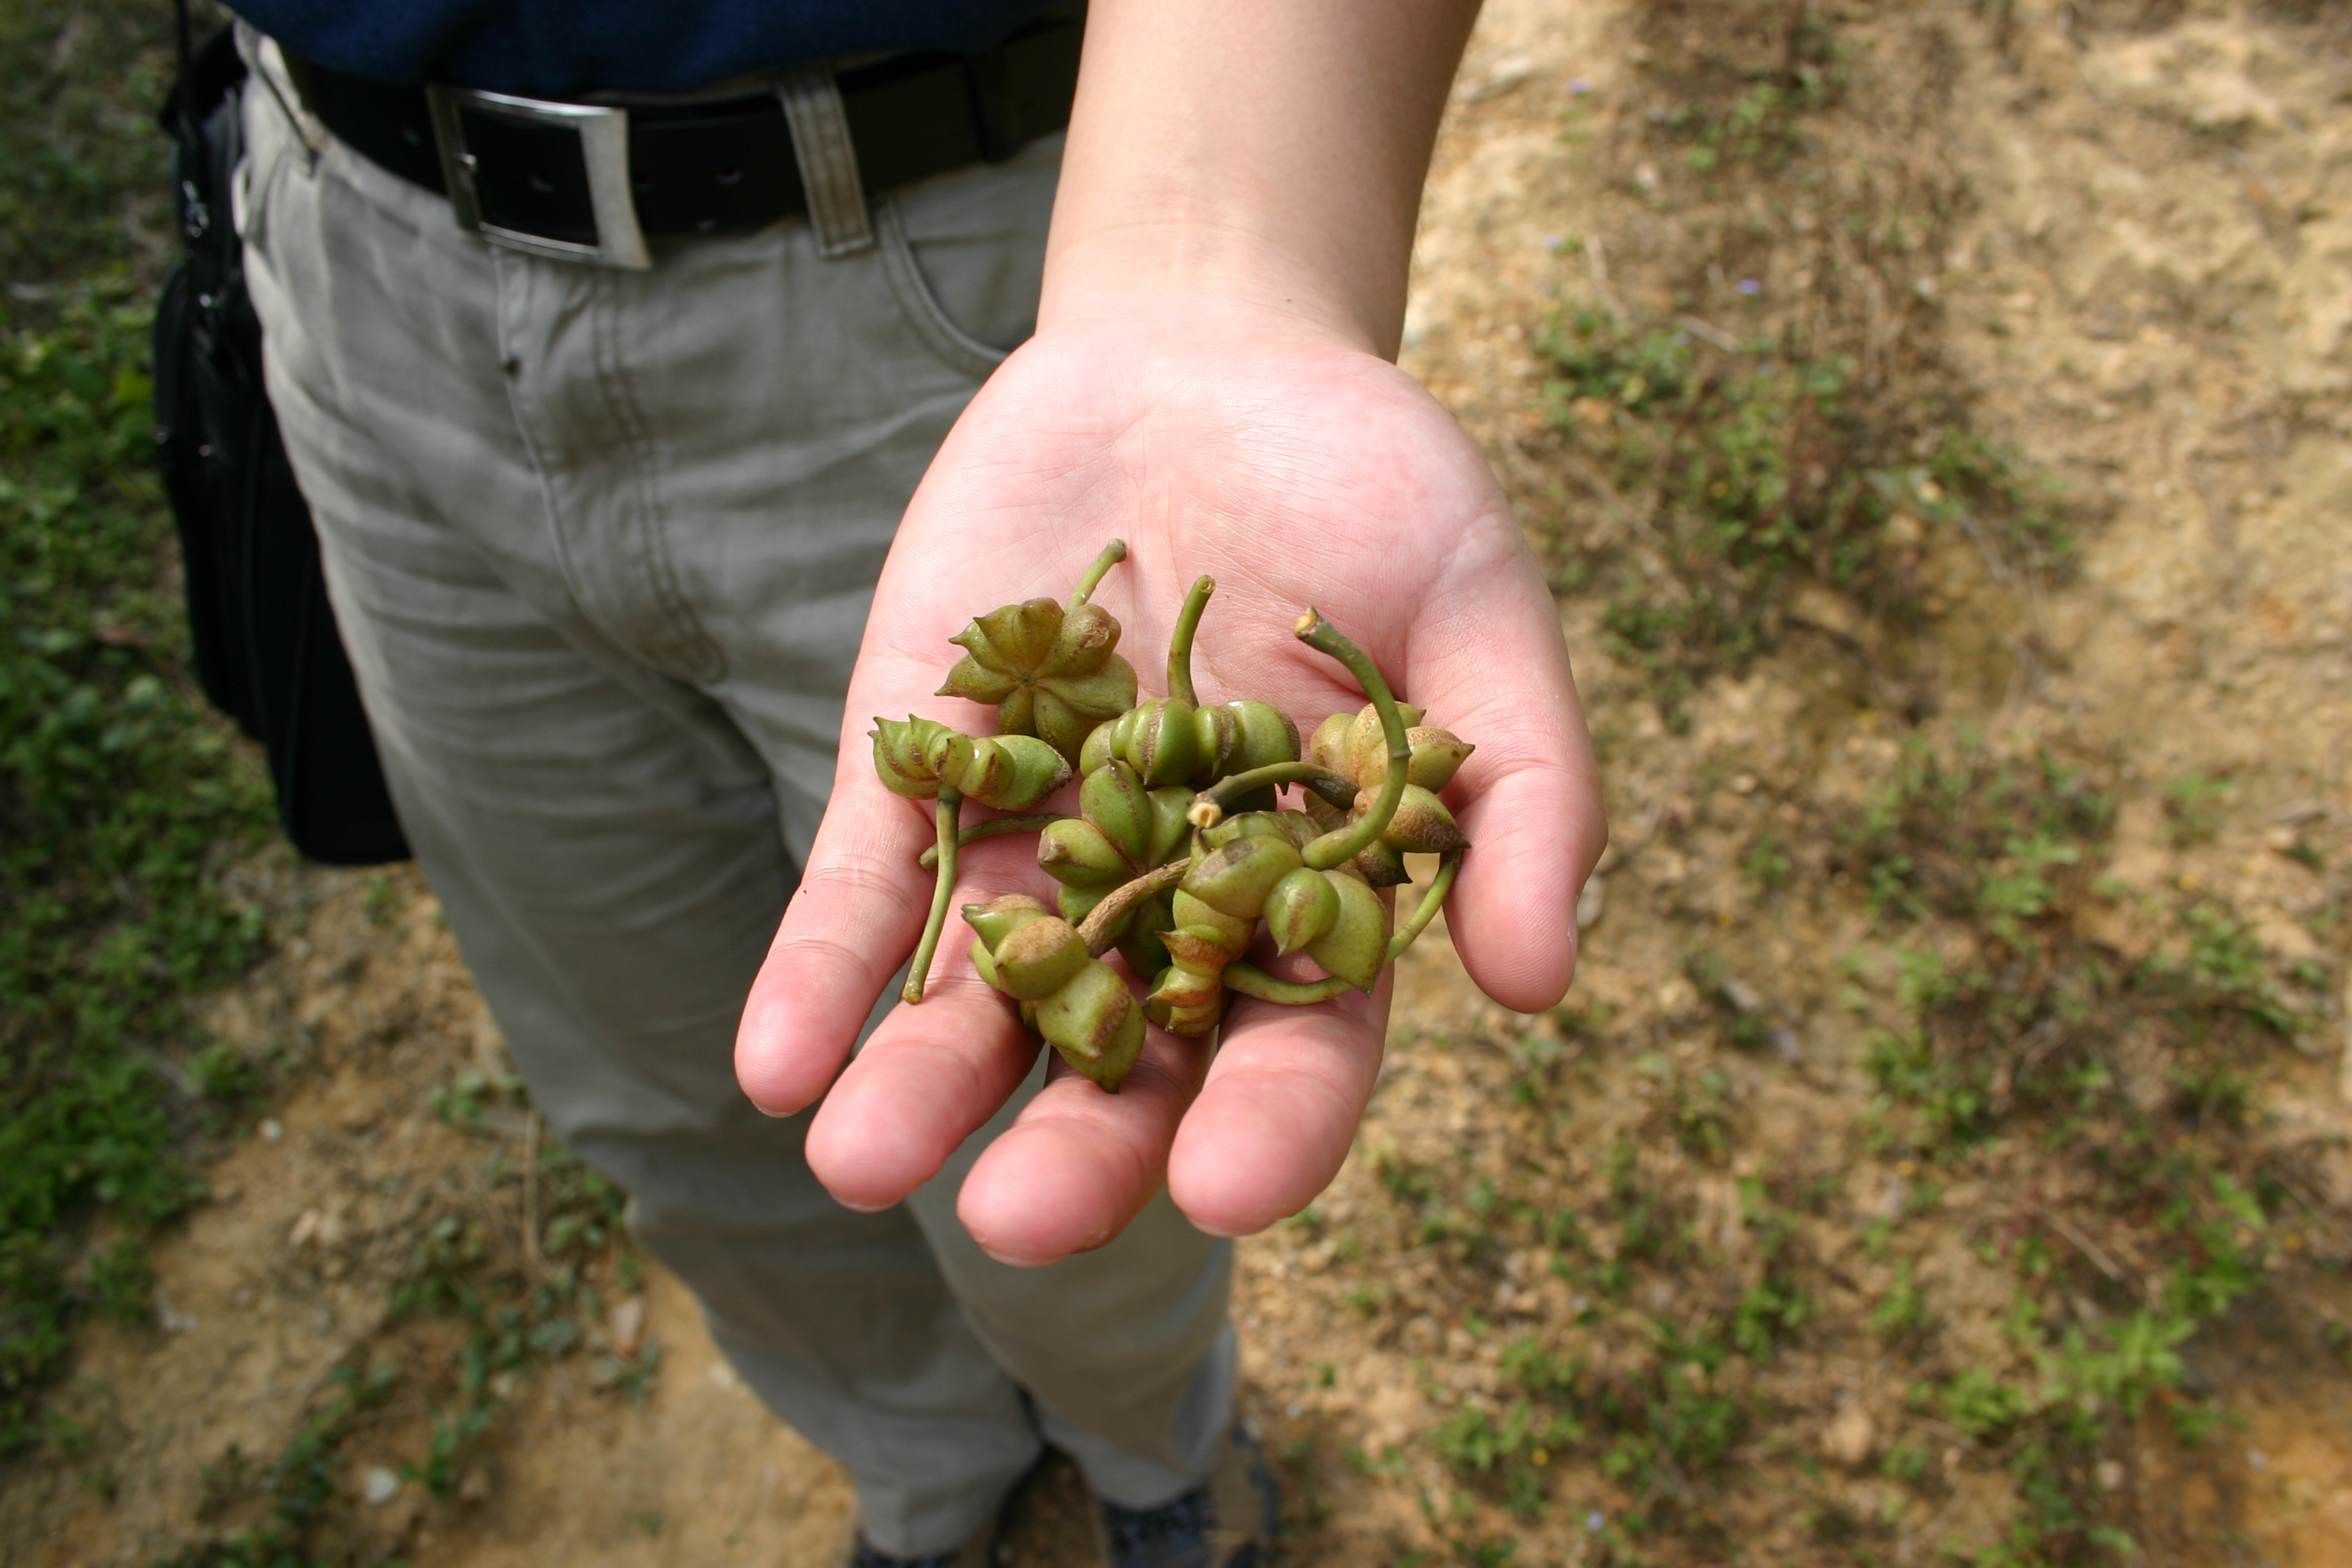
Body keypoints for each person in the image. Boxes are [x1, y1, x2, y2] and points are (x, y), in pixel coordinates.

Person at [228, 2, 1606, 1563]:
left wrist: (1225, 274)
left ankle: (1158, 1449)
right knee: (665, 1080)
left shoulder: (1135, 788)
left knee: (1051, 1156)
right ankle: (921, 1471)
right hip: (352, 234)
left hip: (969, 227)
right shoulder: (1139, 805)